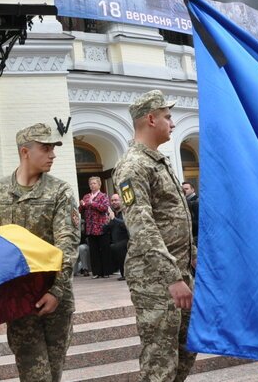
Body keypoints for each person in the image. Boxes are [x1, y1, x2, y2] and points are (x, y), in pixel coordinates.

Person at [0, 122, 80, 382]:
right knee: (34, 374)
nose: (53, 154)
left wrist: (56, 290)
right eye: (46, 148)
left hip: (55, 297)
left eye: (53, 148)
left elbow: (67, 243)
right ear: (25, 151)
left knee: (53, 371)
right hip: (19, 297)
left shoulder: (60, 191)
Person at [113, 90, 197, 382]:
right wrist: (172, 277)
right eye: (167, 116)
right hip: (156, 278)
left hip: (180, 271)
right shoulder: (133, 165)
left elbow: (173, 218)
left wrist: (192, 260)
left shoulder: (158, 161)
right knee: (160, 359)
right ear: (150, 119)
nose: (172, 123)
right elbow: (141, 223)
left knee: (185, 350)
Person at [80, 176, 111, 278]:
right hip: (90, 228)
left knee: (104, 250)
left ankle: (106, 272)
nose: (92, 185)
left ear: (99, 184)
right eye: (90, 184)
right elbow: (81, 210)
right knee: (94, 251)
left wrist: (92, 203)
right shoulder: (86, 196)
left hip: (101, 226)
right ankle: (96, 272)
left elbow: (104, 208)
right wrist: (82, 205)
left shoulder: (103, 196)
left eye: (94, 183)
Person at [104, 194, 129, 281]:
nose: (114, 202)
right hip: (117, 241)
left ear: (121, 201)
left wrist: (114, 219)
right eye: (112, 201)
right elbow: (106, 229)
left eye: (116, 200)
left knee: (118, 247)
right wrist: (107, 222)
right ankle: (121, 273)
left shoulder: (126, 212)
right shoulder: (113, 214)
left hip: (126, 240)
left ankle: (126, 274)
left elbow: (126, 225)